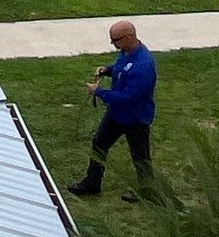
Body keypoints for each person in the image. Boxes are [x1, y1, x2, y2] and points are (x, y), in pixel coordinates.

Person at [66, 20, 156, 198]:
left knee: (140, 157)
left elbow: (128, 98)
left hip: (135, 117)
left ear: (129, 37)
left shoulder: (143, 66)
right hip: (116, 114)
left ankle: (148, 192)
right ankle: (92, 183)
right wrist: (107, 70)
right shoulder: (126, 52)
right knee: (99, 144)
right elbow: (121, 68)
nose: (113, 44)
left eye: (116, 40)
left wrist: (99, 92)